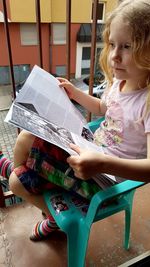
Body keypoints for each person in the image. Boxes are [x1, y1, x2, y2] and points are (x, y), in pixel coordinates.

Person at [6, 0, 150, 241]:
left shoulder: (146, 103)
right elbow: (105, 108)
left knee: (16, 180)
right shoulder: (119, 84)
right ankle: (27, 179)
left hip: (107, 182)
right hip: (92, 150)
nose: (114, 56)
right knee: (27, 135)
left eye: (127, 46)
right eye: (112, 44)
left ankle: (53, 220)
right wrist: (76, 94)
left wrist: (103, 164)